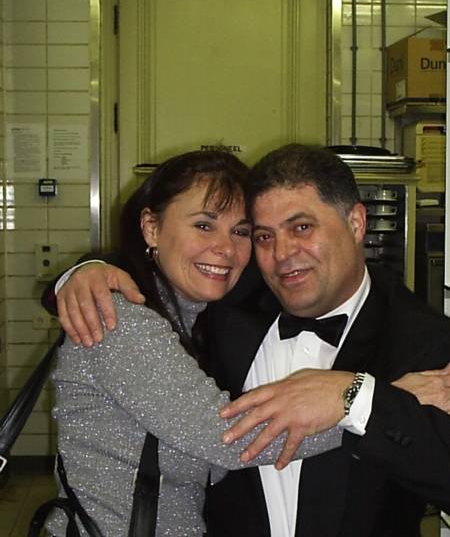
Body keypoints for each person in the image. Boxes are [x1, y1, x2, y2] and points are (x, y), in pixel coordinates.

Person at [45, 145, 450, 537]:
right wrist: (83, 274)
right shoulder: (229, 304)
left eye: (302, 227)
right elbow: (219, 434)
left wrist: (374, 406)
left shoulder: (421, 339)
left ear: (357, 223)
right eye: (263, 236)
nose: (282, 253)